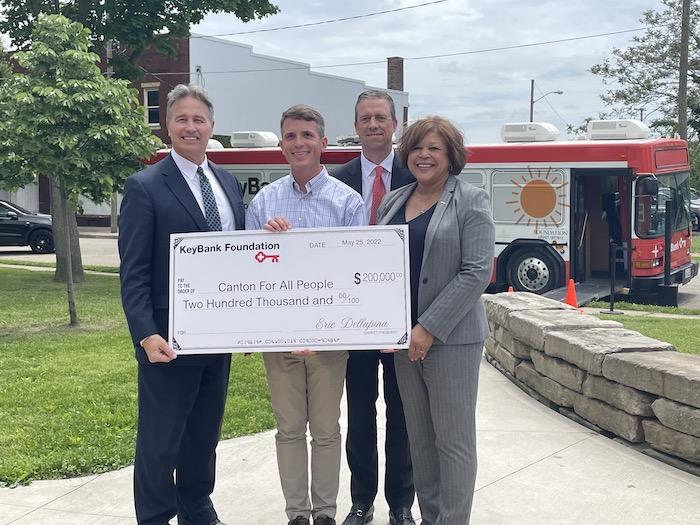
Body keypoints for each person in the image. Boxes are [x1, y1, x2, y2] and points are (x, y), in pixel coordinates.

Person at [119, 84, 245, 525]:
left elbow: (240, 258)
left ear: (212, 127)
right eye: (182, 119)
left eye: (199, 120)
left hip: (220, 336)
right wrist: (145, 332)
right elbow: (134, 271)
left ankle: (197, 506)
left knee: (203, 434)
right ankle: (155, 515)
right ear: (167, 126)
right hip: (168, 339)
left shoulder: (227, 183)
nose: (191, 127)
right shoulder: (145, 187)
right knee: (159, 439)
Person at [246, 104, 365, 525]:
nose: (300, 144)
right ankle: (297, 514)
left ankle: (325, 514)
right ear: (281, 145)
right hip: (279, 340)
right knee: (290, 430)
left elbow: (356, 273)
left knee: (327, 431)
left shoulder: (347, 203)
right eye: (291, 137)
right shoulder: (263, 203)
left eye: (307, 135)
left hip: (329, 341)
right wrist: (266, 245)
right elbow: (249, 273)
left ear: (323, 143)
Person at [376, 116, 495, 525]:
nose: (424, 155)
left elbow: (477, 271)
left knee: (453, 441)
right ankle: (431, 517)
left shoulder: (471, 199)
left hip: (450, 340)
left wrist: (427, 328)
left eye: (434, 148)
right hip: (402, 341)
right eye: (416, 147)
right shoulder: (392, 201)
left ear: (450, 156)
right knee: (420, 441)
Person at [330, 90, 415, 525]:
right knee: (359, 412)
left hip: (402, 316)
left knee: (402, 413)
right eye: (366, 118)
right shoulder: (338, 177)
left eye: (381, 117)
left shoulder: (416, 172)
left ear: (395, 123)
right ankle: (361, 499)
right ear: (356, 124)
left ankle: (402, 503)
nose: (374, 125)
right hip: (352, 316)